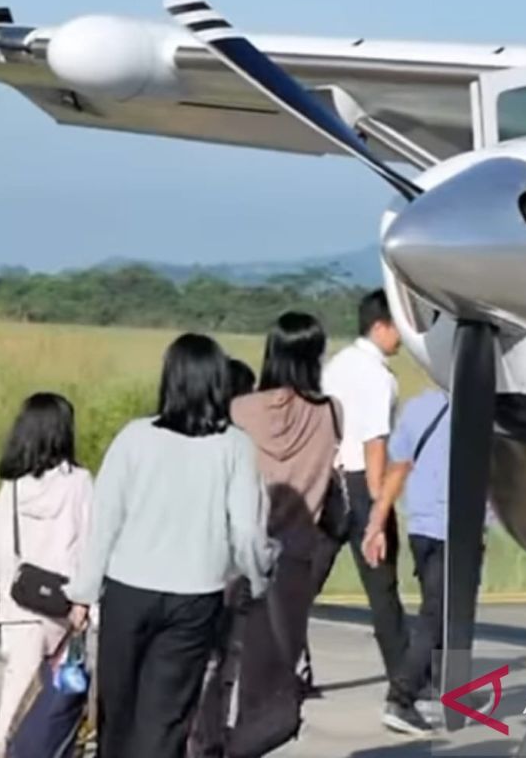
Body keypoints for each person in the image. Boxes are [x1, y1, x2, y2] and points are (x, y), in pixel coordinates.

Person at [65, 333, 277, 758]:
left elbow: (104, 522)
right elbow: (247, 532)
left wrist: (83, 593)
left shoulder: (134, 437)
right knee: (166, 719)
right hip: (195, 598)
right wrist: (257, 577)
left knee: (118, 712)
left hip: (127, 591)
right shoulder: (234, 446)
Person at [192, 312, 343, 754]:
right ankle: (246, 746)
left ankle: (205, 744)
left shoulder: (240, 410)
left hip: (233, 555)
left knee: (215, 661)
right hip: (293, 559)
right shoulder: (332, 412)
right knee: (270, 674)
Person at [0, 392, 94, 754]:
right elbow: (92, 542)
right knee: (58, 705)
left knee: (15, 708)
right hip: (66, 610)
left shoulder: (13, 487)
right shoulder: (81, 482)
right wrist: (89, 604)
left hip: (20, 610)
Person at [320, 289, 412, 729]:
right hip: (362, 482)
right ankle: (405, 683)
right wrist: (379, 506)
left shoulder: (336, 365)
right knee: (383, 590)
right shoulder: (378, 375)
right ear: (381, 326)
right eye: (400, 327)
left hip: (328, 480)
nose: (404, 338)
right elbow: (376, 441)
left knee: (302, 583)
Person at [363, 386, 451, 735]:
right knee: (437, 614)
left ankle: (442, 690)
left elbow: (399, 467)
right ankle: (401, 698)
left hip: (421, 526)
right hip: (453, 529)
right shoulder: (483, 411)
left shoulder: (418, 407)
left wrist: (377, 520)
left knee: (443, 612)